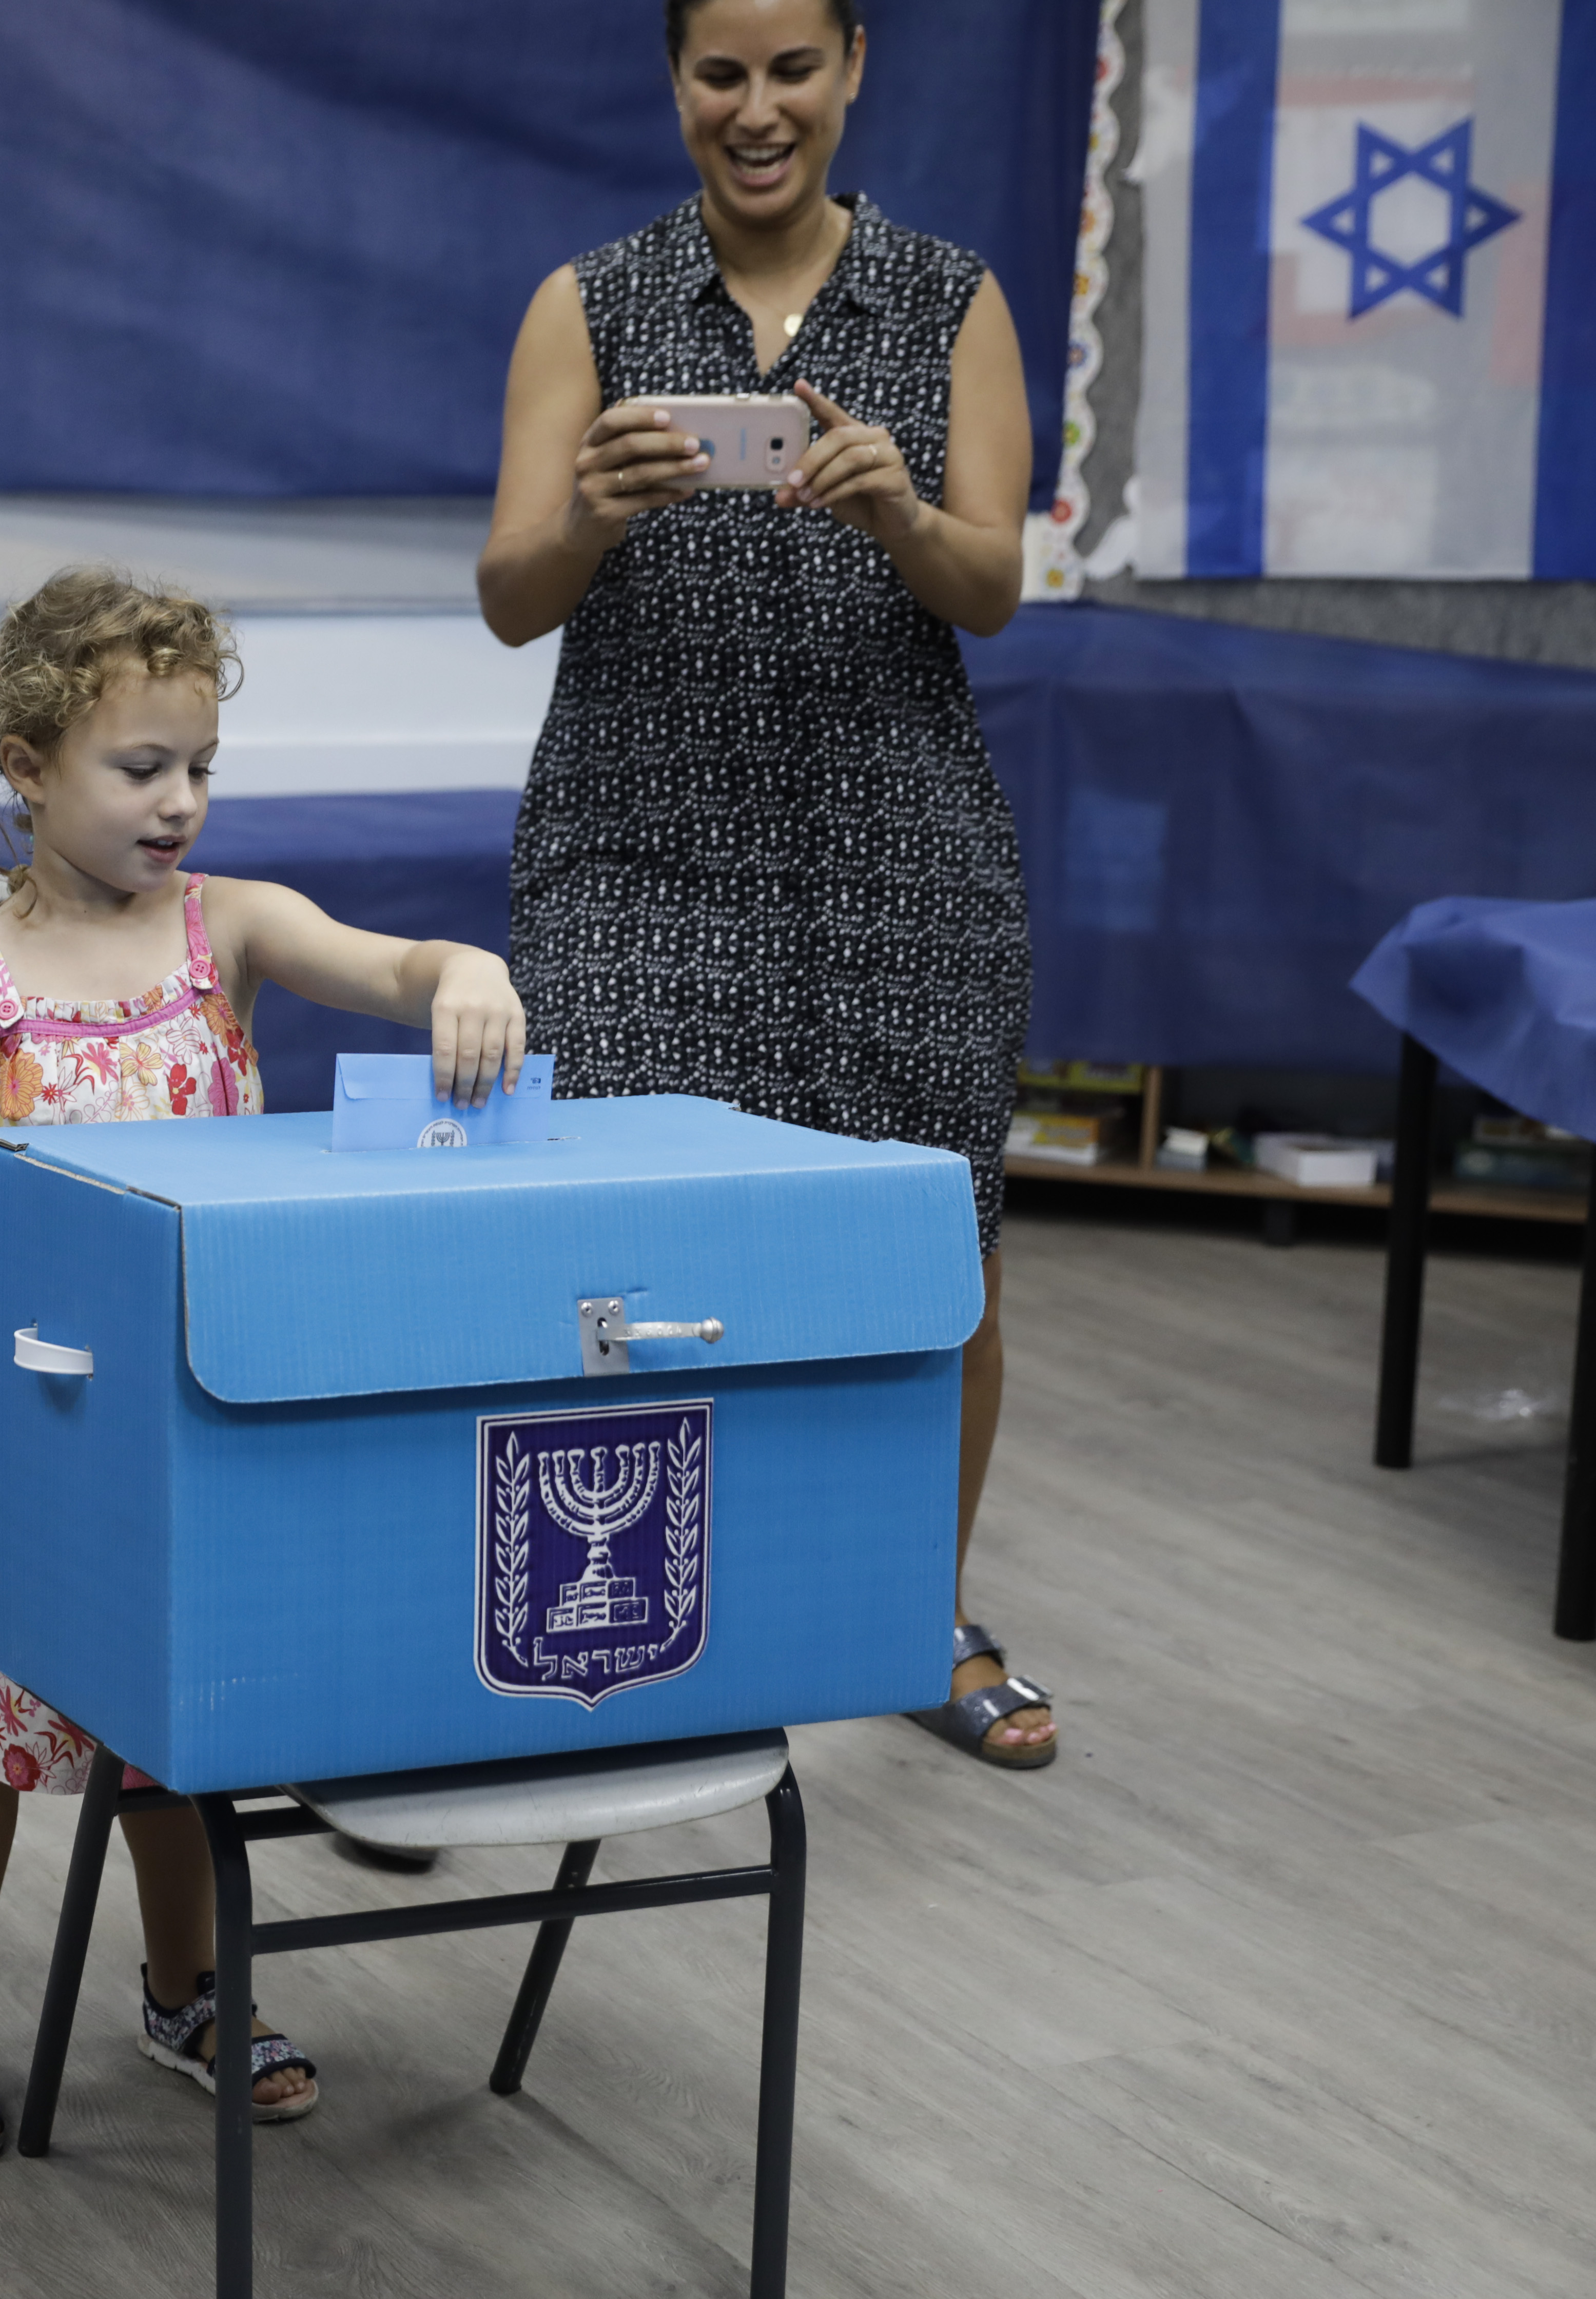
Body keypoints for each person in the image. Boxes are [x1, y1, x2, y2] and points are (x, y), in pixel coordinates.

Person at [0, 569, 532, 2158]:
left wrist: (466, 972)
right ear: (26, 766)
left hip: (195, 1385)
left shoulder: (227, 928)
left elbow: (391, 967)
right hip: (19, 1404)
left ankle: (186, 1989)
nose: (180, 803)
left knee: (181, 1715)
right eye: (140, 768)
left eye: (199, 767)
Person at [475, 0, 1053, 1765]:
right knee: (621, 1266)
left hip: (899, 861)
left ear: (855, 66)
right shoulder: (588, 301)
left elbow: (991, 589)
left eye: (791, 69)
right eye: (719, 74)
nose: (757, 108)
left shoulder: (952, 300)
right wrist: (595, 509)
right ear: (675, 84)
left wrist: (897, 507)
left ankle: (917, 1622)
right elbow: (511, 592)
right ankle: (606, 1625)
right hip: (637, 857)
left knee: (932, 1252)